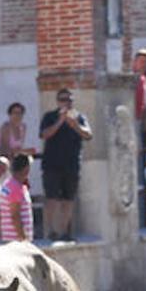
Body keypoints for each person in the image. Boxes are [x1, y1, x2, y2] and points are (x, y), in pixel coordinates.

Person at [39, 88, 92, 242]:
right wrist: (60, 121)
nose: (66, 102)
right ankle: (51, 231)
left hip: (72, 164)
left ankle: (64, 231)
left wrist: (74, 124)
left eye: (69, 99)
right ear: (58, 101)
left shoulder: (79, 117)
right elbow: (44, 135)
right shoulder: (49, 117)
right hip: (52, 164)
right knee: (51, 198)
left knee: (68, 199)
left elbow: (88, 134)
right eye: (63, 99)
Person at [0, 153, 33, 243]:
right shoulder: (15, 187)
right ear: (26, 168)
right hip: (16, 242)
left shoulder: (9, 184)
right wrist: (23, 239)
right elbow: (15, 215)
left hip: (10, 238)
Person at [133, 49, 146, 131]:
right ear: (134, 62)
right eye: (142, 61)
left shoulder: (143, 79)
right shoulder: (129, 78)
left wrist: (145, 118)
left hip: (138, 119)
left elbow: (143, 101)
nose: (144, 65)